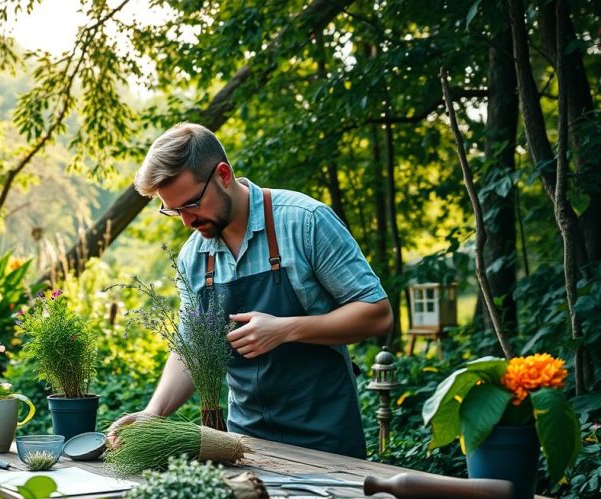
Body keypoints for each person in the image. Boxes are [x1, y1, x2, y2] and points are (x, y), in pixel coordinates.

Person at [107, 123, 393, 459]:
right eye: (175, 210)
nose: (186, 221)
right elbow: (191, 349)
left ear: (224, 176)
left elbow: (377, 314)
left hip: (326, 438)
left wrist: (285, 329)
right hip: (245, 444)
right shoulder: (194, 257)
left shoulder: (304, 221)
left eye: (192, 204)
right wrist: (153, 414)